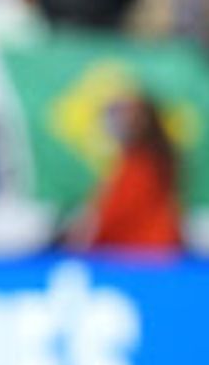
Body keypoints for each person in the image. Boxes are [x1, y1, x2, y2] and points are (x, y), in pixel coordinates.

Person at [66, 93, 181, 253]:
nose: (115, 123)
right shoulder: (132, 161)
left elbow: (114, 215)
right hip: (138, 252)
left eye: (125, 117)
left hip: (140, 254)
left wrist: (79, 238)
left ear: (143, 122)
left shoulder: (144, 165)